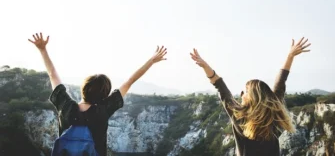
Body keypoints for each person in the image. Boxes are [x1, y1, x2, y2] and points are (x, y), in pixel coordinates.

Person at [28, 32, 167, 156]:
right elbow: (130, 81)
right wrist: (151, 61)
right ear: (105, 94)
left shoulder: (66, 107)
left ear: (84, 88)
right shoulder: (103, 110)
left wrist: (43, 49)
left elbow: (52, 74)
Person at [190, 37, 311, 156]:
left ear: (254, 98)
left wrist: (205, 66)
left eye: (245, 91)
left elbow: (220, 86)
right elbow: (281, 81)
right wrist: (290, 56)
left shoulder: (239, 116)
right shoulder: (272, 114)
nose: (242, 94)